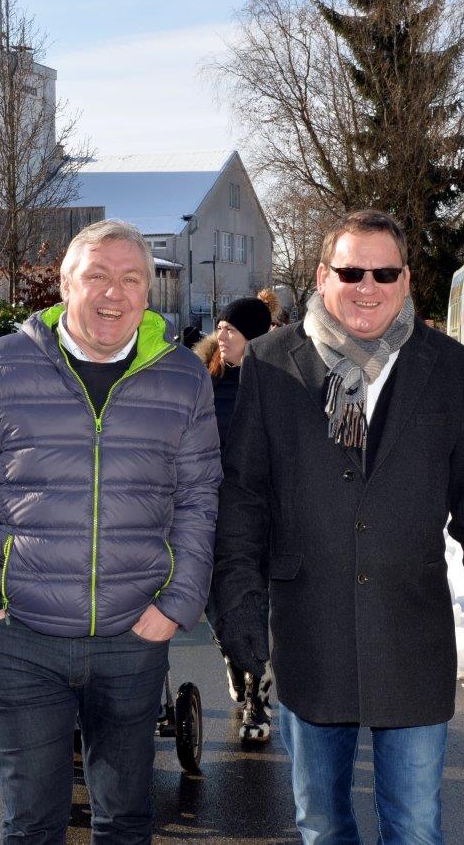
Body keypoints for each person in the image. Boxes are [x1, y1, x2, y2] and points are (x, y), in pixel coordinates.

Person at [212, 209, 464, 843]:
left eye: (384, 272)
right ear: (322, 277)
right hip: (311, 634)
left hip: (411, 632)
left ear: (405, 280)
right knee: (323, 824)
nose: (367, 286)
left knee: (414, 828)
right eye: (352, 271)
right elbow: (243, 498)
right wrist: (239, 607)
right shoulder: (271, 363)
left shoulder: (447, 367)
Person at [0, 219, 221, 843]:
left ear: (148, 293)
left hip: (132, 636)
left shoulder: (183, 376)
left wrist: (177, 603)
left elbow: (199, 496)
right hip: (20, 637)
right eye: (97, 276)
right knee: (32, 822)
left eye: (131, 279)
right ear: (65, 285)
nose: (114, 293)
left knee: (127, 820)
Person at [196, 297, 273, 741]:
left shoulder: (276, 385)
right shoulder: (204, 382)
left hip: (260, 514)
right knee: (214, 600)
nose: (221, 336)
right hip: (210, 510)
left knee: (252, 600)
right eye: (220, 327)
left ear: (255, 338)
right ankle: (234, 657)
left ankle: (255, 699)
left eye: (232, 330)